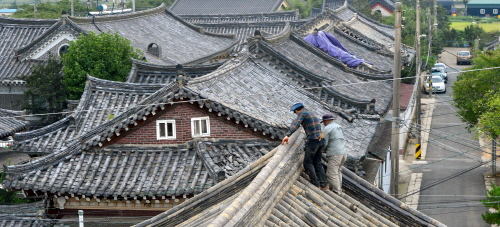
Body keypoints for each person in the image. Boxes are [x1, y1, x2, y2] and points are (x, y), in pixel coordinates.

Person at [282, 103, 329, 191]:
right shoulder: (311, 112)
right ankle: (324, 185)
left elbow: (296, 124)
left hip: (313, 141)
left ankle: (316, 184)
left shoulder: (302, 114)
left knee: (308, 163)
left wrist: (287, 135)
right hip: (321, 140)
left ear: (296, 111)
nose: (296, 114)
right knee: (317, 162)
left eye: (295, 112)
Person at [321, 113, 347, 194]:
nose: (323, 124)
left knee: (331, 173)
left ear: (327, 121)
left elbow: (323, 142)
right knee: (338, 171)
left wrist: (320, 150)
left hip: (335, 154)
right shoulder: (338, 126)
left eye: (324, 122)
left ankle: (336, 191)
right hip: (343, 153)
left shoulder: (327, 128)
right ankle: (339, 188)